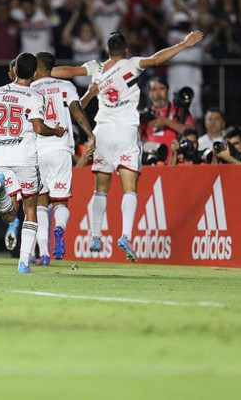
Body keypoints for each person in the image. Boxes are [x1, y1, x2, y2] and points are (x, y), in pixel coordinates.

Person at [53, 31, 204, 260]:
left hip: (102, 132)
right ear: (125, 50)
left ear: (106, 50)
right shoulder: (132, 64)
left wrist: (42, 73)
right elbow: (156, 59)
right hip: (126, 132)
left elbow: (70, 71)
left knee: (100, 189)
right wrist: (184, 44)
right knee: (129, 188)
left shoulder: (96, 68)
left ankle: (95, 235)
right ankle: (125, 235)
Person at [0, 52, 65, 274]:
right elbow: (39, 128)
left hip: (0, 159)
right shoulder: (34, 96)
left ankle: (2, 191)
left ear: (14, 70)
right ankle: (23, 263)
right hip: (24, 158)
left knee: (9, 214)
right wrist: (57, 131)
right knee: (29, 209)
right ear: (34, 73)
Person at [31, 52, 95, 264]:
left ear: (37, 68)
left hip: (38, 149)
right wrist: (90, 134)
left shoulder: (30, 89)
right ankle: (59, 228)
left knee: (40, 202)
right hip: (61, 148)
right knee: (60, 201)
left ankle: (44, 253)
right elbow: (77, 112)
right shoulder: (66, 87)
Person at [140, 76, 196, 163]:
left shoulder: (179, 111)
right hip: (152, 163)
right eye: (154, 90)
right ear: (149, 93)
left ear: (167, 90)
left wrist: (166, 122)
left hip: (175, 163)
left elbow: (192, 132)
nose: (158, 93)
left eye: (161, 88)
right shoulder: (145, 115)